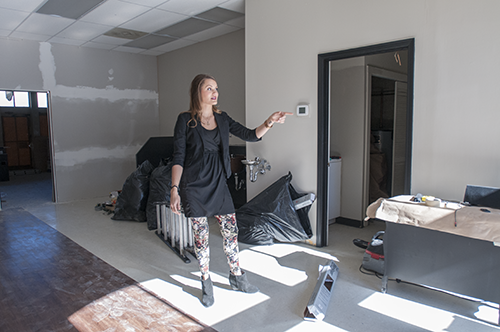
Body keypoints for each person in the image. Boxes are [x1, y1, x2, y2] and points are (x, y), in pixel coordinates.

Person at [170, 73, 292, 307]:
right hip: (193, 187)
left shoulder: (222, 119)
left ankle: (237, 276)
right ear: (198, 92)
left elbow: (250, 135)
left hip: (218, 185)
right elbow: (178, 157)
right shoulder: (185, 120)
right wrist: (174, 189)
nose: (215, 92)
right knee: (201, 239)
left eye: (216, 88)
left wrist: (270, 121)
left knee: (230, 234)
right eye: (209, 88)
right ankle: (206, 282)